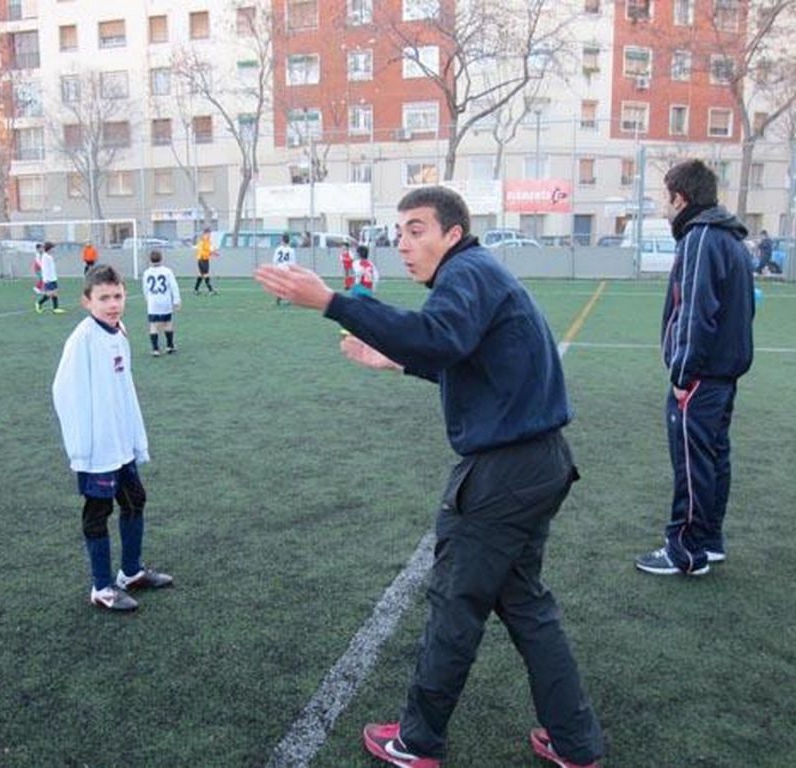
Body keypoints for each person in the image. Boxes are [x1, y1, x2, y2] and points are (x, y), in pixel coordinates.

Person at [255, 185, 603, 768]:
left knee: (454, 607)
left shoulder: (466, 274)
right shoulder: (480, 274)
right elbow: (476, 365)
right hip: (539, 463)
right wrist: (396, 359)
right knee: (525, 606)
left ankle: (417, 742)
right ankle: (576, 741)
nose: (404, 245)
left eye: (417, 230)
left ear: (453, 234)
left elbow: (439, 337)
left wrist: (334, 302)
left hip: (504, 476)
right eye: (399, 234)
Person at [635, 159, 754, 577]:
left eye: (665, 198)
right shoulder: (730, 238)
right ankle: (708, 540)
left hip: (702, 377)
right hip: (723, 374)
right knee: (713, 458)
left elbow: (695, 313)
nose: (663, 208)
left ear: (680, 198)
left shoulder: (701, 238)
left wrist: (684, 375)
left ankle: (685, 551)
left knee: (692, 462)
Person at [52, 264, 174, 612]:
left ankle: (131, 572)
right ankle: (102, 588)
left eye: (117, 296)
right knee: (98, 512)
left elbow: (123, 390)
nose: (112, 303)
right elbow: (64, 393)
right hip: (97, 449)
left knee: (135, 500)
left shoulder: (117, 332)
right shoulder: (83, 340)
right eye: (103, 298)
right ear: (87, 302)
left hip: (120, 445)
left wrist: (133, 435)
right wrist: (83, 447)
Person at [142, 250, 181, 356]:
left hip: (153, 302)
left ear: (150, 259)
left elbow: (145, 289)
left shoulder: (146, 273)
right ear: (161, 258)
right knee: (168, 323)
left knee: (153, 325)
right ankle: (169, 346)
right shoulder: (167, 271)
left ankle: (155, 349)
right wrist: (176, 300)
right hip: (165, 301)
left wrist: (147, 300)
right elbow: (174, 286)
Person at [35, 241, 66, 314]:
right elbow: (44, 268)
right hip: (48, 279)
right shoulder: (45, 257)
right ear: (49, 248)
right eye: (52, 248)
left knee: (55, 293)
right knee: (49, 294)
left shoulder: (49, 257)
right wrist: (47, 279)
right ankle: (39, 303)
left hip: (53, 278)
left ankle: (55, 308)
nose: (53, 249)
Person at [272, 234, 295, 306]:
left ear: (282, 241)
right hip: (286, 268)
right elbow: (292, 262)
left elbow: (274, 260)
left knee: (280, 284)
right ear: (289, 241)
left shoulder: (278, 249)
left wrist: (274, 268)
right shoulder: (291, 250)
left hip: (279, 268)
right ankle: (288, 299)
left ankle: (279, 297)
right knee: (288, 285)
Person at [194, 227, 218, 295]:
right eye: (208, 234)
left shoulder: (208, 242)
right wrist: (210, 253)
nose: (209, 235)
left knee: (201, 275)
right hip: (201, 259)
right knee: (205, 274)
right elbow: (201, 251)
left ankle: (196, 290)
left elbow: (208, 251)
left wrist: (213, 253)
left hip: (206, 259)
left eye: (210, 234)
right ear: (205, 234)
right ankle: (210, 290)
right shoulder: (202, 241)